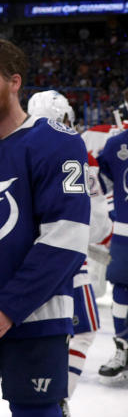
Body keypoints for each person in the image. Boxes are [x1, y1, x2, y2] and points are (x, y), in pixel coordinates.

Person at [0, 40, 89, 416]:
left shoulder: (56, 144)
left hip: (36, 318)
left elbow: (67, 238)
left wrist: (7, 307)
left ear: (14, 82)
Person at [27, 90, 109, 413]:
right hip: (67, 256)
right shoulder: (78, 154)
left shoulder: (16, 146)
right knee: (83, 331)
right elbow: (99, 223)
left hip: (24, 264)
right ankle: (58, 399)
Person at [94, 120, 128, 385]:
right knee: (122, 290)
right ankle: (122, 349)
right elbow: (100, 182)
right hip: (125, 234)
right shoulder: (117, 144)